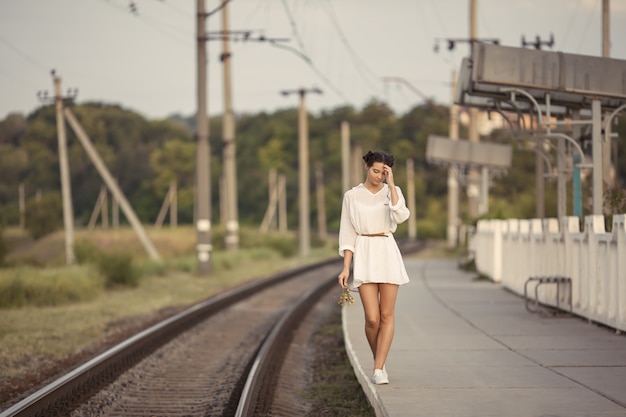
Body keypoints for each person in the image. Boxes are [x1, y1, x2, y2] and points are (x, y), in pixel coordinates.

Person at [338, 150, 410, 385]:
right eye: (376, 171)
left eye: (384, 172)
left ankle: (379, 368)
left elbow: (400, 217)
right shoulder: (352, 196)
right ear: (367, 168)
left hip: (387, 250)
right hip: (365, 251)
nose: (379, 176)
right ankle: (379, 357)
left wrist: (391, 185)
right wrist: (346, 267)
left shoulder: (393, 192)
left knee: (387, 315)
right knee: (372, 318)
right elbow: (347, 233)